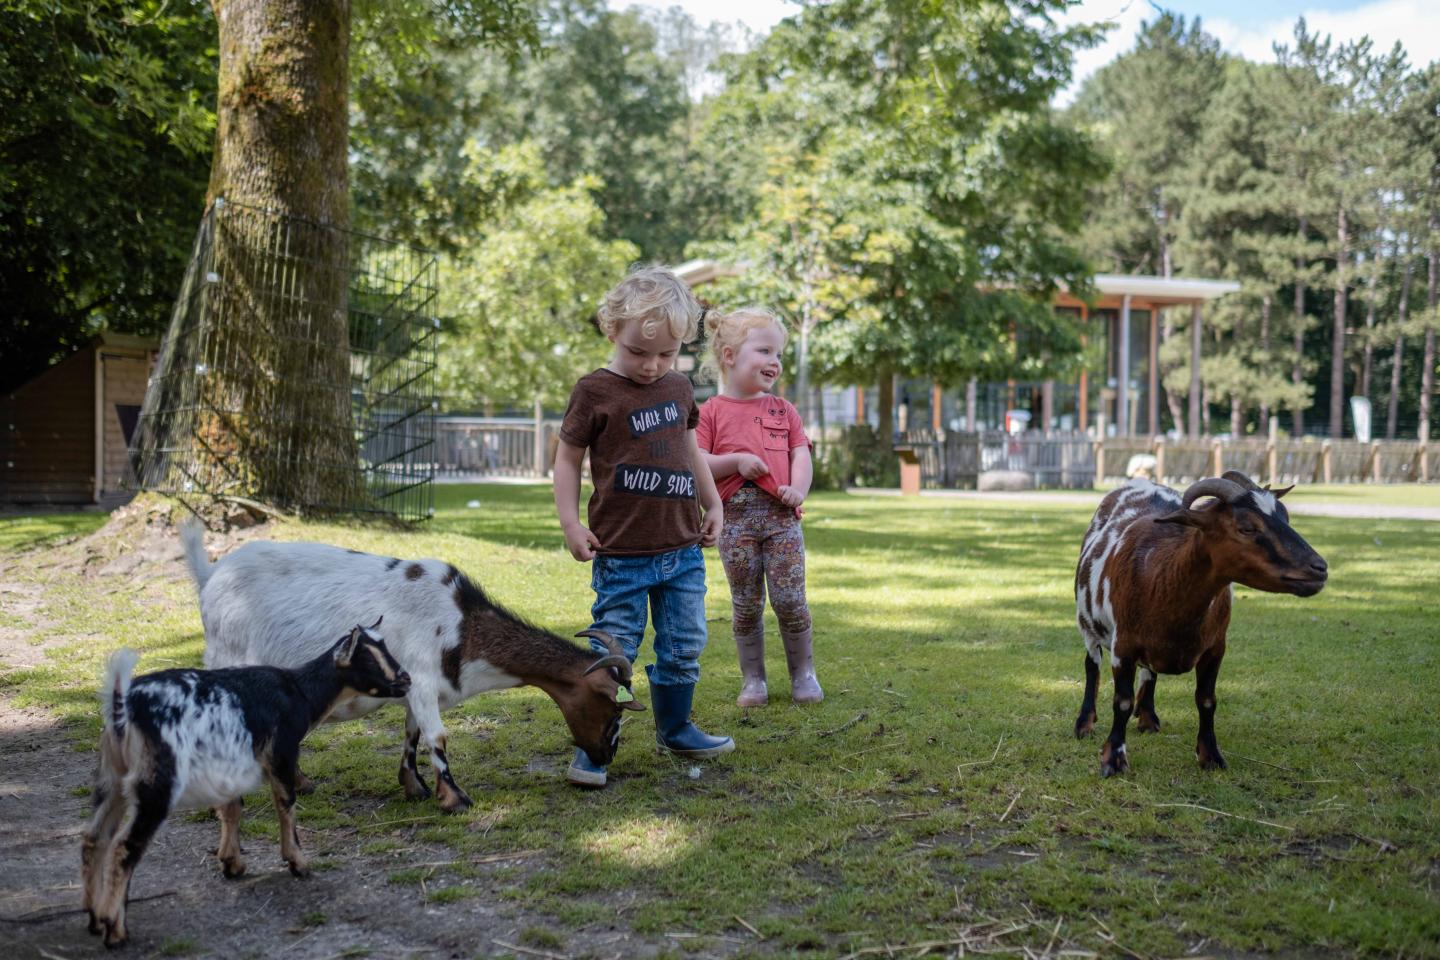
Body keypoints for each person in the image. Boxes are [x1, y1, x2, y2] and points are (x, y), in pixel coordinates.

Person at [553, 266, 733, 788]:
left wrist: (713, 503)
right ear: (612, 330)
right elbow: (566, 461)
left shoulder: (679, 388)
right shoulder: (593, 392)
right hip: (621, 554)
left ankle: (675, 727)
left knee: (683, 642)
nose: (652, 366)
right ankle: (594, 745)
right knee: (614, 649)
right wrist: (569, 522)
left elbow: (691, 449)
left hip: (682, 550)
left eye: (665, 354)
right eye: (638, 352)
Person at [696, 308, 821, 707]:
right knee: (746, 603)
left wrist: (798, 489)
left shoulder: (784, 411)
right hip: (734, 521)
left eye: (779, 353)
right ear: (730, 356)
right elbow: (696, 463)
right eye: (764, 350)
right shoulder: (711, 412)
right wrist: (734, 462)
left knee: (789, 598)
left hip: (781, 519)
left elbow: (801, 454)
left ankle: (804, 674)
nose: (775, 361)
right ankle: (754, 681)